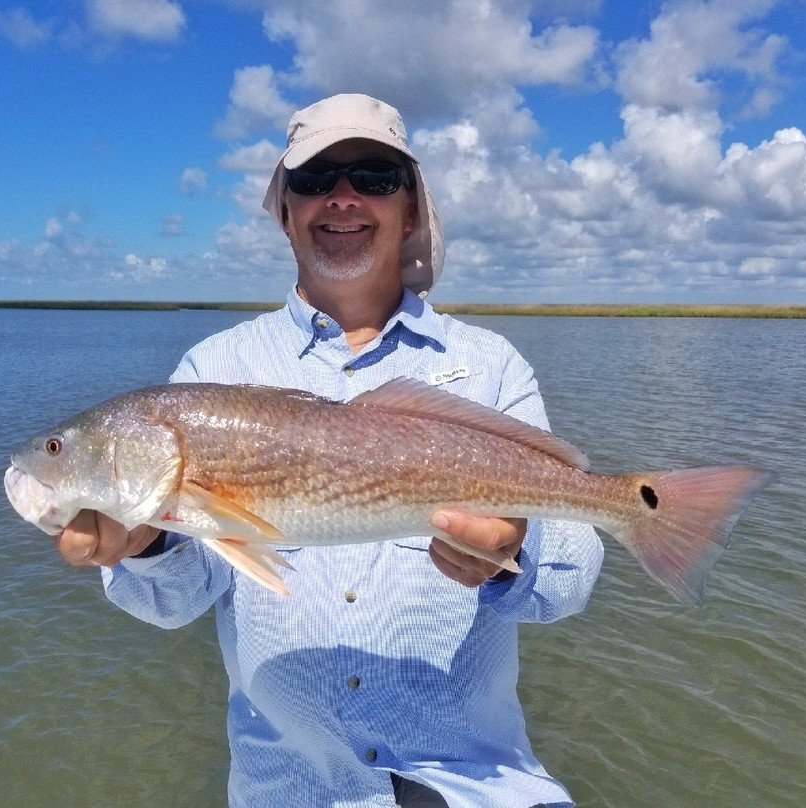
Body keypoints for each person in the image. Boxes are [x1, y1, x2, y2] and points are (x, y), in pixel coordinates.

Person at [57, 94, 604, 808]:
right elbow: (175, 604)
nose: (341, 198)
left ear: (412, 210)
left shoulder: (490, 365)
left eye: (374, 176)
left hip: (476, 785)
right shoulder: (208, 372)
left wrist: (517, 548)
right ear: (284, 210)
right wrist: (146, 545)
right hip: (291, 788)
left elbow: (569, 582)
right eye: (313, 179)